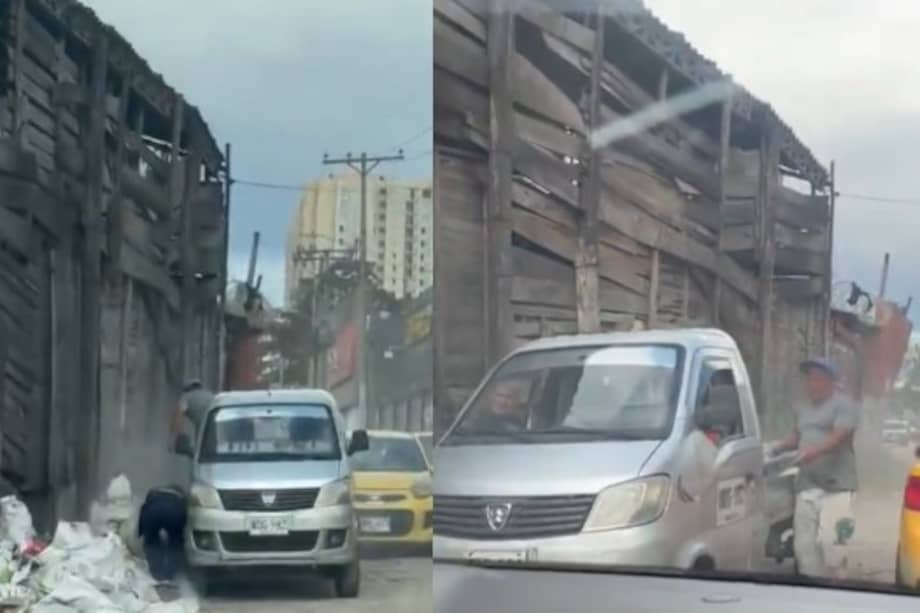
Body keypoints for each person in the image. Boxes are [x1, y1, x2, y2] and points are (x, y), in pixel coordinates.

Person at [772, 357, 859, 579]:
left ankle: (837, 591)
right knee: (804, 548)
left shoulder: (844, 405)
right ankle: (811, 589)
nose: (813, 384)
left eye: (819, 379)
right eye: (810, 379)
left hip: (837, 487)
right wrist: (777, 448)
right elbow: (797, 436)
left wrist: (814, 451)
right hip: (806, 485)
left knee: (833, 545)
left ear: (831, 382)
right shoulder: (802, 408)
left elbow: (839, 436)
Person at [137, 484, 188, 584]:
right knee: (175, 543)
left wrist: (142, 531)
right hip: (174, 511)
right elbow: (185, 515)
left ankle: (156, 573)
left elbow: (143, 511)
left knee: (152, 541)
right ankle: (171, 574)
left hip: (152, 511)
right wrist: (180, 533)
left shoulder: (153, 493)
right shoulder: (180, 495)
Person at [171, 380, 215, 444]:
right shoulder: (210, 394)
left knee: (200, 444)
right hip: (217, 423)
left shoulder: (186, 396)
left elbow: (178, 416)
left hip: (203, 424)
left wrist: (177, 437)